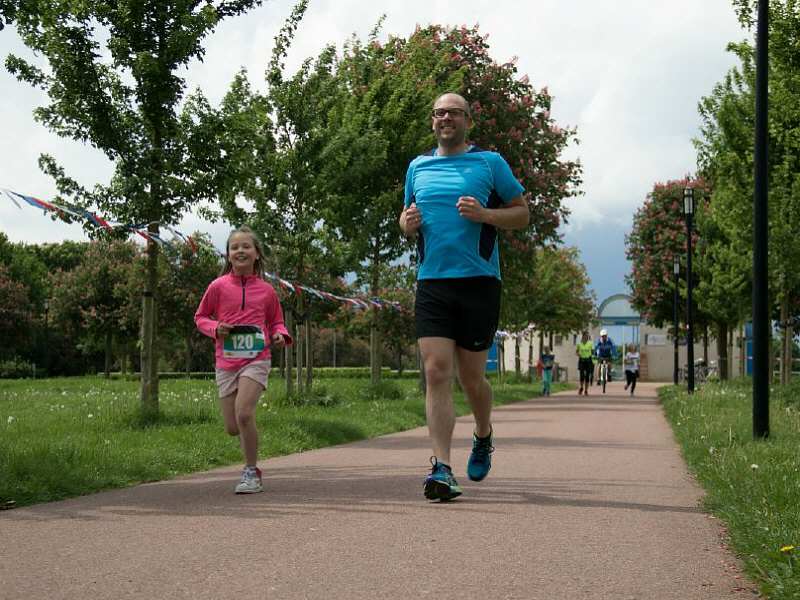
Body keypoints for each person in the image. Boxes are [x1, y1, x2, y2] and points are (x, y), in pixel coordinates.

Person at [399, 92, 529, 501]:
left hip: (479, 282)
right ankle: (441, 467)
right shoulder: (417, 168)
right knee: (437, 370)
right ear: (433, 122)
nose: (445, 118)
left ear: (468, 120)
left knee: (472, 379)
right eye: (439, 112)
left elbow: (522, 213)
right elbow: (408, 220)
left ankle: (483, 433)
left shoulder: (489, 163)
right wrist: (405, 223)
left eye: (453, 112)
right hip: (433, 282)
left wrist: (486, 215)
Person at [195, 225, 292, 494]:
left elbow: (277, 323)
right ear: (227, 255)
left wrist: (280, 336)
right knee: (232, 427)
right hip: (226, 361)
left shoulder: (267, 291)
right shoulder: (217, 287)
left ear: (257, 254)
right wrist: (215, 328)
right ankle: (248, 455)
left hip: (257, 359)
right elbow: (200, 317)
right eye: (234, 247)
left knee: (245, 414)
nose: (240, 251)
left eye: (246, 246)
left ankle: (251, 472)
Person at [575, 331, 594, 395]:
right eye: (585, 336)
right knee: (582, 375)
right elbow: (576, 352)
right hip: (582, 360)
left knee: (587, 376)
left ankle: (586, 390)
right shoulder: (579, 344)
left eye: (587, 336)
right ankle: (581, 387)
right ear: (583, 336)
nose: (586, 337)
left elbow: (592, 351)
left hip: (588, 360)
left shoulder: (590, 343)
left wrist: (593, 356)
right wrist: (578, 354)